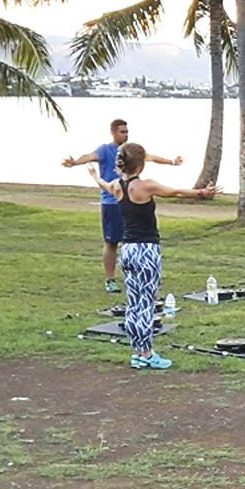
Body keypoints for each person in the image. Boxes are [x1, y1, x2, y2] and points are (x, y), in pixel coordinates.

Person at [88, 144, 219, 370]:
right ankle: (147, 353)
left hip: (127, 250)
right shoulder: (145, 186)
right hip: (146, 250)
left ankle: (137, 351)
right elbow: (175, 192)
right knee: (146, 303)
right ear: (140, 164)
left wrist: (93, 176)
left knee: (134, 302)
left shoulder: (117, 186)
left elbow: (103, 184)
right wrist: (201, 193)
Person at [61, 119, 185, 294]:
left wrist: (172, 162)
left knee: (134, 239)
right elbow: (89, 157)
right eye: (122, 132)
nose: (125, 135)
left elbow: (152, 157)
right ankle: (110, 279)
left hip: (131, 201)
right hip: (112, 202)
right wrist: (75, 163)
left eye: (127, 131)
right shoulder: (105, 150)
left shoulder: (131, 152)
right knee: (111, 241)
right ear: (113, 132)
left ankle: (141, 274)